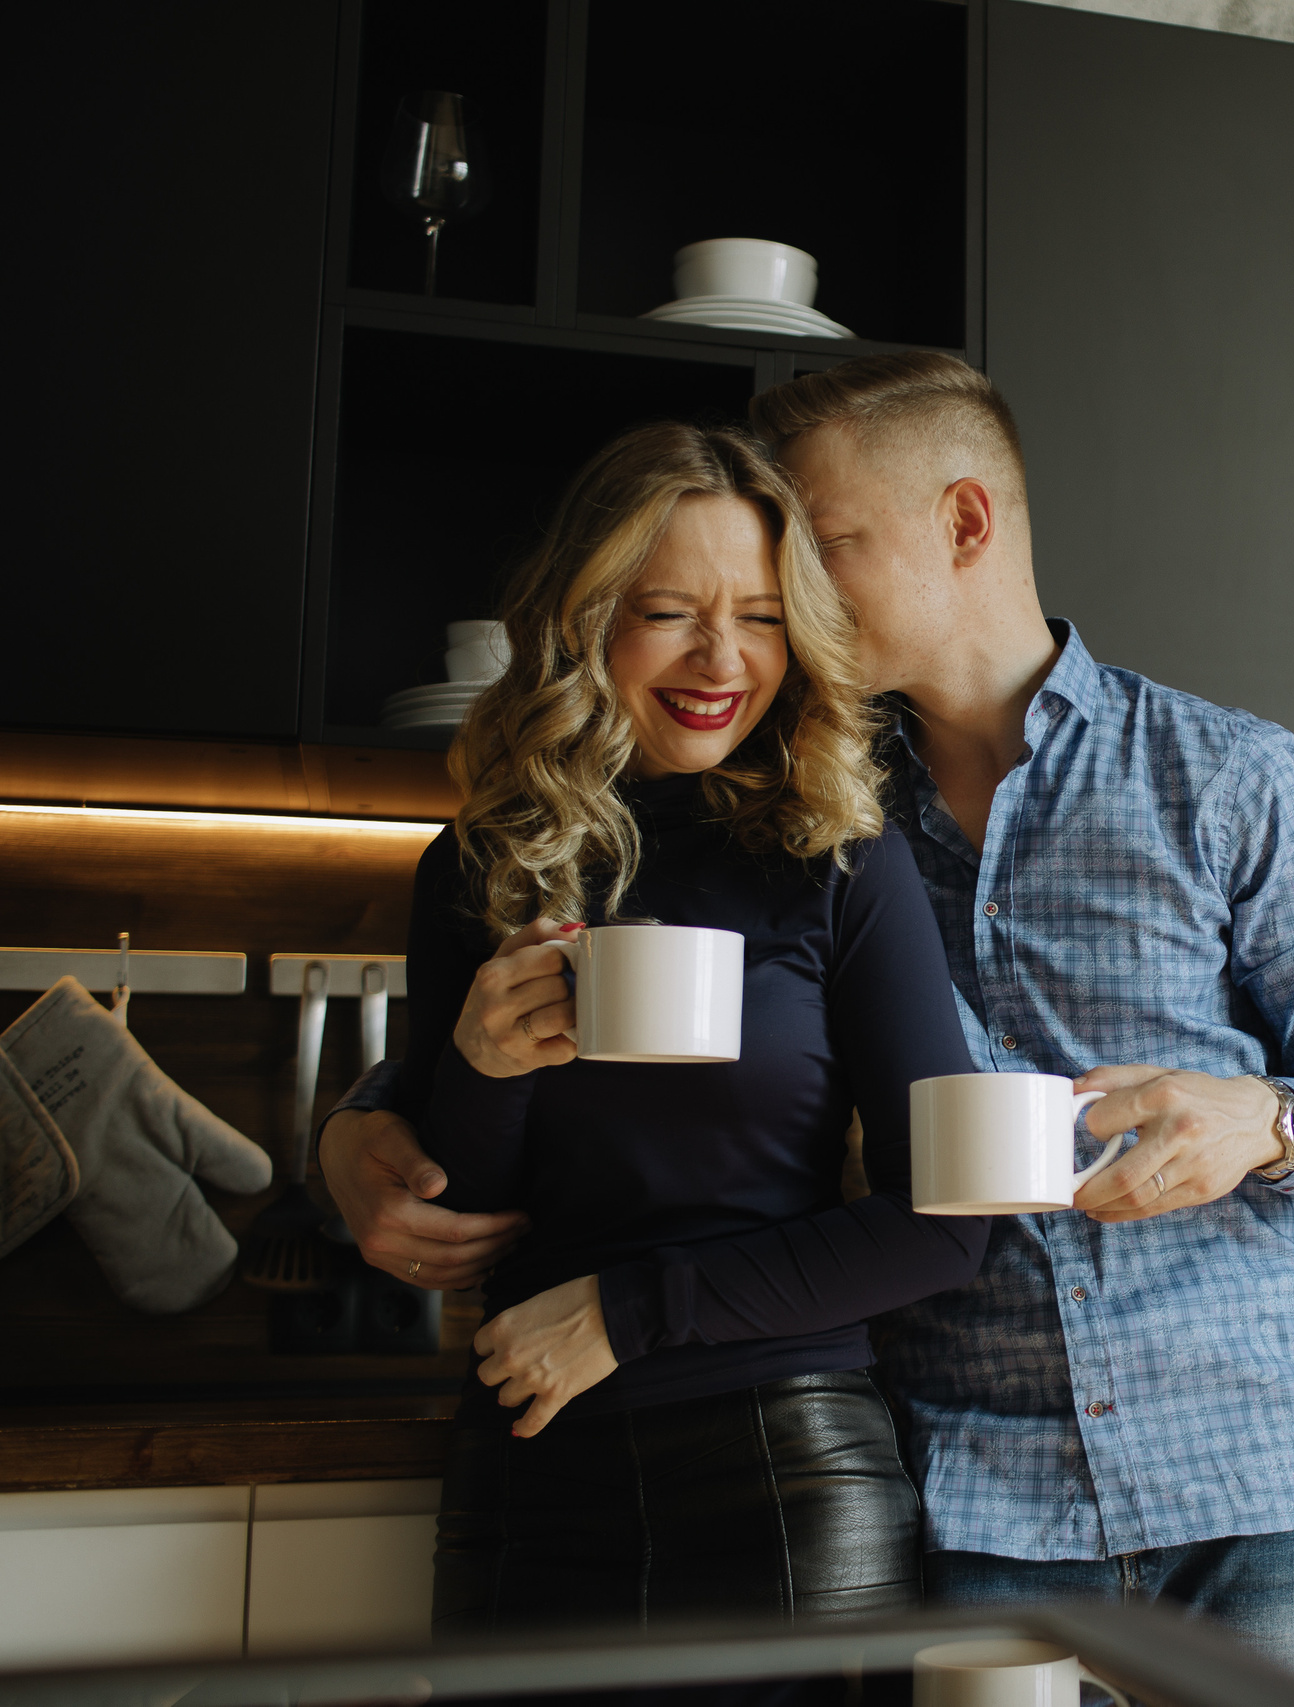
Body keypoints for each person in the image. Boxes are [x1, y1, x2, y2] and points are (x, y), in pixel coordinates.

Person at [320, 356, 1294, 1693]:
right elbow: (553, 1001)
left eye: (821, 548)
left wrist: (1270, 1116)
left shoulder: (1218, 770)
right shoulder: (808, 792)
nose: (782, 603)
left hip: (1246, 1462)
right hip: (973, 1485)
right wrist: (361, 1123)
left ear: (962, 523)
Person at [390, 420, 986, 1632]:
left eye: (763, 616)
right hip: (531, 1453)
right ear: (585, 615)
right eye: (669, 610)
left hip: (783, 1473)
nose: (724, 657)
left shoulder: (837, 859)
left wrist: (629, 1312)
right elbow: (451, 1223)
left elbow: (952, 1221)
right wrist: (483, 1065)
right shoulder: (478, 865)